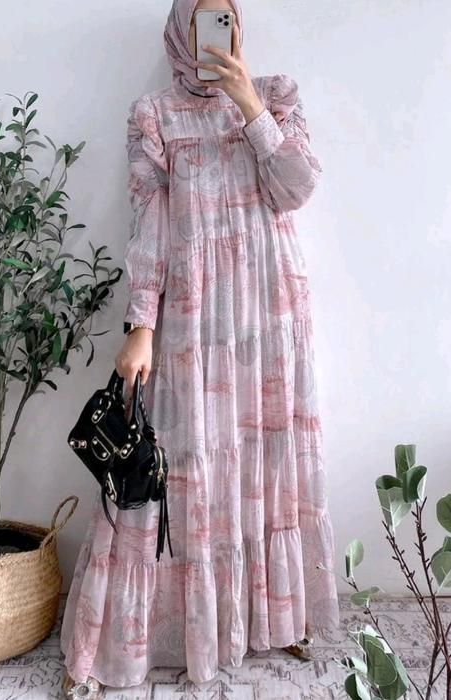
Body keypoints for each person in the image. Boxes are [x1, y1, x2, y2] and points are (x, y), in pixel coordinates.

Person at [60, 0, 340, 695]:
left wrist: (248, 102)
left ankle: (277, 617)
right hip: (191, 322)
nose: (217, 33)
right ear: (180, 31)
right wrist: (141, 326)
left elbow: (298, 188)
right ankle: (164, 638)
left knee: (268, 464)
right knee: (184, 474)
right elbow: (150, 225)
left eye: (226, 19)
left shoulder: (276, 95)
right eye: (202, 20)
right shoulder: (154, 115)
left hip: (270, 316)